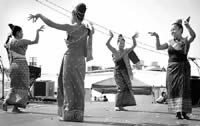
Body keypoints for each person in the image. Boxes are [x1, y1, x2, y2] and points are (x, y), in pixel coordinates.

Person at [28, 3, 94, 122]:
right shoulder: (86, 29)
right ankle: (78, 115)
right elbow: (91, 35)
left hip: (70, 59)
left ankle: (68, 113)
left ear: (74, 14)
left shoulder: (71, 27)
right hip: (81, 61)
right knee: (79, 86)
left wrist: (39, 15)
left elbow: (51, 24)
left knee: (67, 85)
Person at [149, 17, 196, 120]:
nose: (172, 31)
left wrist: (187, 25)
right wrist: (157, 37)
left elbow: (193, 35)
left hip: (183, 67)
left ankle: (184, 112)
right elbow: (158, 47)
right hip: (171, 68)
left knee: (183, 89)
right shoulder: (170, 42)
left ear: (180, 30)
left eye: (174, 29)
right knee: (173, 89)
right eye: (171, 30)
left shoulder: (185, 40)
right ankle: (178, 111)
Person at [2, 24, 44, 113]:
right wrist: (37, 31)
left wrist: (8, 37)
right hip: (21, 64)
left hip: (13, 66)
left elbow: (5, 46)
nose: (22, 34)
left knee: (14, 86)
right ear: (17, 33)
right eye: (21, 32)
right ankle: (16, 107)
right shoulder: (22, 41)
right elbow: (35, 41)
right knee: (24, 85)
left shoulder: (10, 43)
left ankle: (7, 102)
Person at [106, 31, 138, 111]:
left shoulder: (126, 51)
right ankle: (117, 105)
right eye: (120, 43)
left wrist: (133, 38)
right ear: (117, 43)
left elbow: (134, 45)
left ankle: (121, 105)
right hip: (118, 72)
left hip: (125, 72)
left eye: (123, 44)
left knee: (125, 88)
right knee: (120, 88)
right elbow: (107, 44)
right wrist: (111, 37)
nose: (122, 45)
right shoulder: (115, 51)